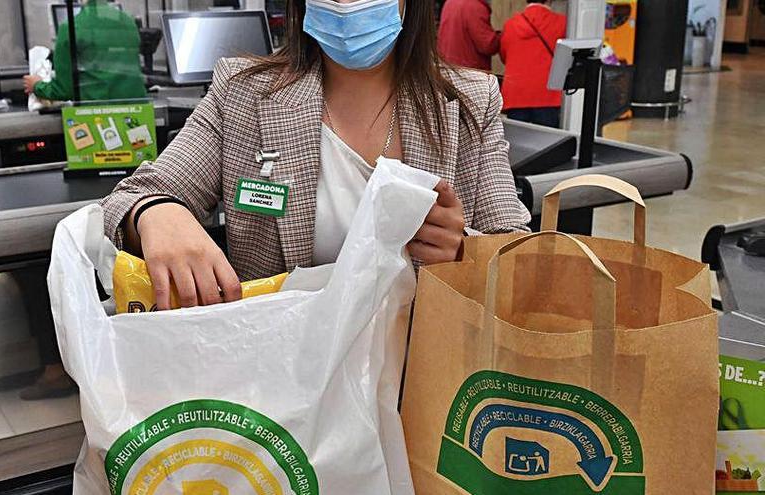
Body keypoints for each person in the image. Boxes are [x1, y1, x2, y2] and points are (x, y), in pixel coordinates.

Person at [100, 0, 530, 310]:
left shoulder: (471, 101)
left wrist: (462, 251)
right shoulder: (243, 93)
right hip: (282, 388)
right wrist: (156, 212)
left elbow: (515, 254)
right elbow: (129, 199)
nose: (347, 5)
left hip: (417, 384)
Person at [23, 0, 145, 101]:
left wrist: (37, 85)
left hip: (97, 115)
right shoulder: (129, 22)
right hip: (138, 112)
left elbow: (65, 90)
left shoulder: (70, 27)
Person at [499, 0, 566, 128]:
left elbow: (504, 56)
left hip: (516, 95)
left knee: (519, 142)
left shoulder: (510, 24)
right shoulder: (562, 23)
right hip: (548, 95)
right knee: (548, 143)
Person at [437, 0, 500, 70]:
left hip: (448, 68)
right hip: (469, 72)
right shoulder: (475, 7)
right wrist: (504, 35)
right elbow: (487, 45)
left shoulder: (449, 2)